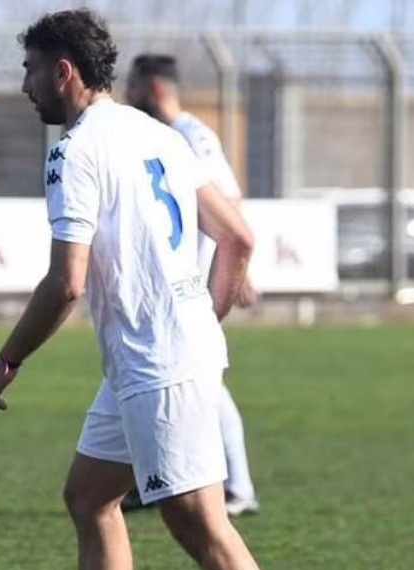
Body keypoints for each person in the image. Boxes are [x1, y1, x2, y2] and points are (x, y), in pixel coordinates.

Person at [0, 9, 262, 570]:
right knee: (89, 498)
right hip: (150, 359)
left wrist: (8, 359)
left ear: (63, 71)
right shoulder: (158, 134)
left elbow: (67, 282)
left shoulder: (74, 151)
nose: (25, 85)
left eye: (30, 69)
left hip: (157, 363)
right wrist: (200, 321)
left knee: (202, 528)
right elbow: (236, 238)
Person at [121, 54, 261, 517]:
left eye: (133, 86)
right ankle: (147, 478)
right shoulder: (161, 135)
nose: (127, 94)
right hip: (169, 286)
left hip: (193, 287)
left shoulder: (193, 136)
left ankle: (238, 488)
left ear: (155, 89)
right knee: (143, 374)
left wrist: (237, 270)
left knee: (204, 383)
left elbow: (229, 200)